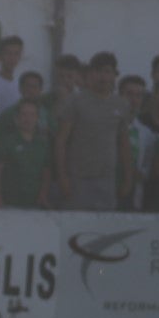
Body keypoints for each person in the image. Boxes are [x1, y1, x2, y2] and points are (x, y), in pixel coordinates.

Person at [54, 51, 133, 212]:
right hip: (77, 179)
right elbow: (61, 141)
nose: (103, 77)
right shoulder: (75, 101)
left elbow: (124, 144)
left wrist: (127, 178)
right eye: (98, 71)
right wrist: (62, 177)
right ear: (90, 73)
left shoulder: (121, 105)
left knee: (103, 224)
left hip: (107, 180)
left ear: (114, 75)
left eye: (107, 72)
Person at [0, 98, 50, 208]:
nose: (28, 119)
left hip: (34, 204)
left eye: (32, 115)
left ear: (37, 118)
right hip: (9, 203)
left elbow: (46, 173)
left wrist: (43, 195)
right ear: (16, 118)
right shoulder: (6, 142)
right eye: (24, 114)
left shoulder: (43, 144)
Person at [119, 74, 154, 210]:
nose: (134, 100)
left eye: (139, 95)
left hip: (134, 196)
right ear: (120, 95)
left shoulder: (146, 133)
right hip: (108, 191)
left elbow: (146, 168)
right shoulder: (107, 127)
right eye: (129, 94)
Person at [0, 36, 24, 114]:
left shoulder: (20, 85)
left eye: (16, 54)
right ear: (0, 56)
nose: (12, 58)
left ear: (20, 56)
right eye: (8, 53)